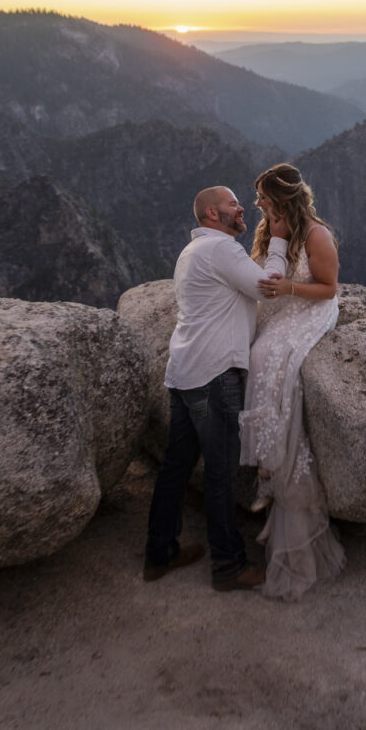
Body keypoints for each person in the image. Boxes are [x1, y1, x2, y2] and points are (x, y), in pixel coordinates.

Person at [144, 185, 290, 592]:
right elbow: (268, 286)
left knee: (175, 468)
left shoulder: (192, 252)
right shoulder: (222, 250)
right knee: (221, 474)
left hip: (184, 371)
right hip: (214, 374)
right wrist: (277, 237)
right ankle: (228, 565)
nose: (241, 208)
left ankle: (159, 553)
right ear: (211, 213)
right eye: (232, 204)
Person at [239, 163, 346, 600]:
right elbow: (260, 270)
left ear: (281, 200)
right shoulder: (271, 229)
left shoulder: (317, 235)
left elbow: (329, 288)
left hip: (309, 307)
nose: (257, 204)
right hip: (280, 305)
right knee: (250, 354)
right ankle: (267, 464)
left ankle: (273, 467)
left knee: (271, 358)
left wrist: (288, 292)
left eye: (262, 197)